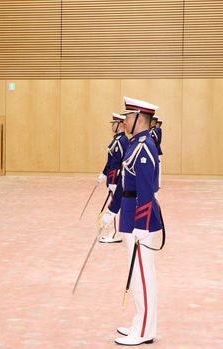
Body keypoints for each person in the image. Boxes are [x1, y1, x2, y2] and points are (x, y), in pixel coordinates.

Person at [101, 97, 164, 346]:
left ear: (139, 118)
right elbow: (127, 185)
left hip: (141, 220)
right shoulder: (133, 145)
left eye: (128, 116)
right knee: (136, 275)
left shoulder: (145, 145)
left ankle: (146, 329)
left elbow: (147, 189)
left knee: (143, 275)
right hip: (129, 216)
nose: (124, 120)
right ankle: (140, 321)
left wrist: (141, 224)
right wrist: (112, 210)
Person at [97, 113, 129, 243]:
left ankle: (116, 234)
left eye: (114, 123)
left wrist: (113, 180)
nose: (112, 126)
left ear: (120, 125)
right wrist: (104, 174)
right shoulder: (117, 140)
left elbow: (120, 162)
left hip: (116, 179)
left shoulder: (122, 141)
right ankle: (115, 232)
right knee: (115, 204)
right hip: (112, 178)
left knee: (115, 205)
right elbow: (110, 161)